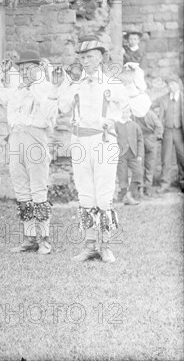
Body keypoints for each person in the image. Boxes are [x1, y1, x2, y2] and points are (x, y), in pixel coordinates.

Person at [56, 35, 147, 263]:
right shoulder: (75, 84)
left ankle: (105, 245)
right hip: (80, 143)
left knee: (104, 195)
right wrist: (64, 83)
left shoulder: (112, 84)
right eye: (82, 57)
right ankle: (89, 246)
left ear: (99, 58)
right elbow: (62, 107)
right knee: (85, 193)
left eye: (89, 57)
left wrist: (134, 83)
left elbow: (135, 106)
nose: (85, 61)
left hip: (104, 142)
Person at [0, 51, 58, 255]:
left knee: (38, 188)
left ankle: (44, 239)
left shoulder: (47, 88)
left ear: (39, 68)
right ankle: (30, 238)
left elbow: (50, 113)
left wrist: (35, 85)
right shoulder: (16, 90)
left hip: (36, 137)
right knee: (21, 189)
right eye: (21, 69)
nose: (25, 73)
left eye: (30, 68)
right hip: (15, 138)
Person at [154, 75, 184, 192]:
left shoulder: (182, 98)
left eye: (173, 84)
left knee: (182, 158)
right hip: (167, 131)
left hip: (180, 132)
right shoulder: (163, 99)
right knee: (166, 158)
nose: (171, 86)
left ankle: (182, 183)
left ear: (178, 84)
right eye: (169, 84)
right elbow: (152, 107)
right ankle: (164, 184)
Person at [115, 106, 144, 205]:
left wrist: (140, 154)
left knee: (138, 172)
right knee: (122, 175)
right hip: (121, 154)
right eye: (123, 112)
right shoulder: (116, 125)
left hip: (133, 153)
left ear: (131, 113)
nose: (125, 114)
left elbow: (140, 139)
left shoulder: (135, 125)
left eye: (127, 112)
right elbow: (112, 139)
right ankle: (124, 196)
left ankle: (129, 193)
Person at [134, 107, 163, 197]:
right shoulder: (134, 115)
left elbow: (159, 127)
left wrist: (156, 137)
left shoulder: (150, 114)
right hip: (139, 140)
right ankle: (140, 188)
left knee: (149, 165)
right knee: (139, 165)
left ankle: (148, 188)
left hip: (150, 140)